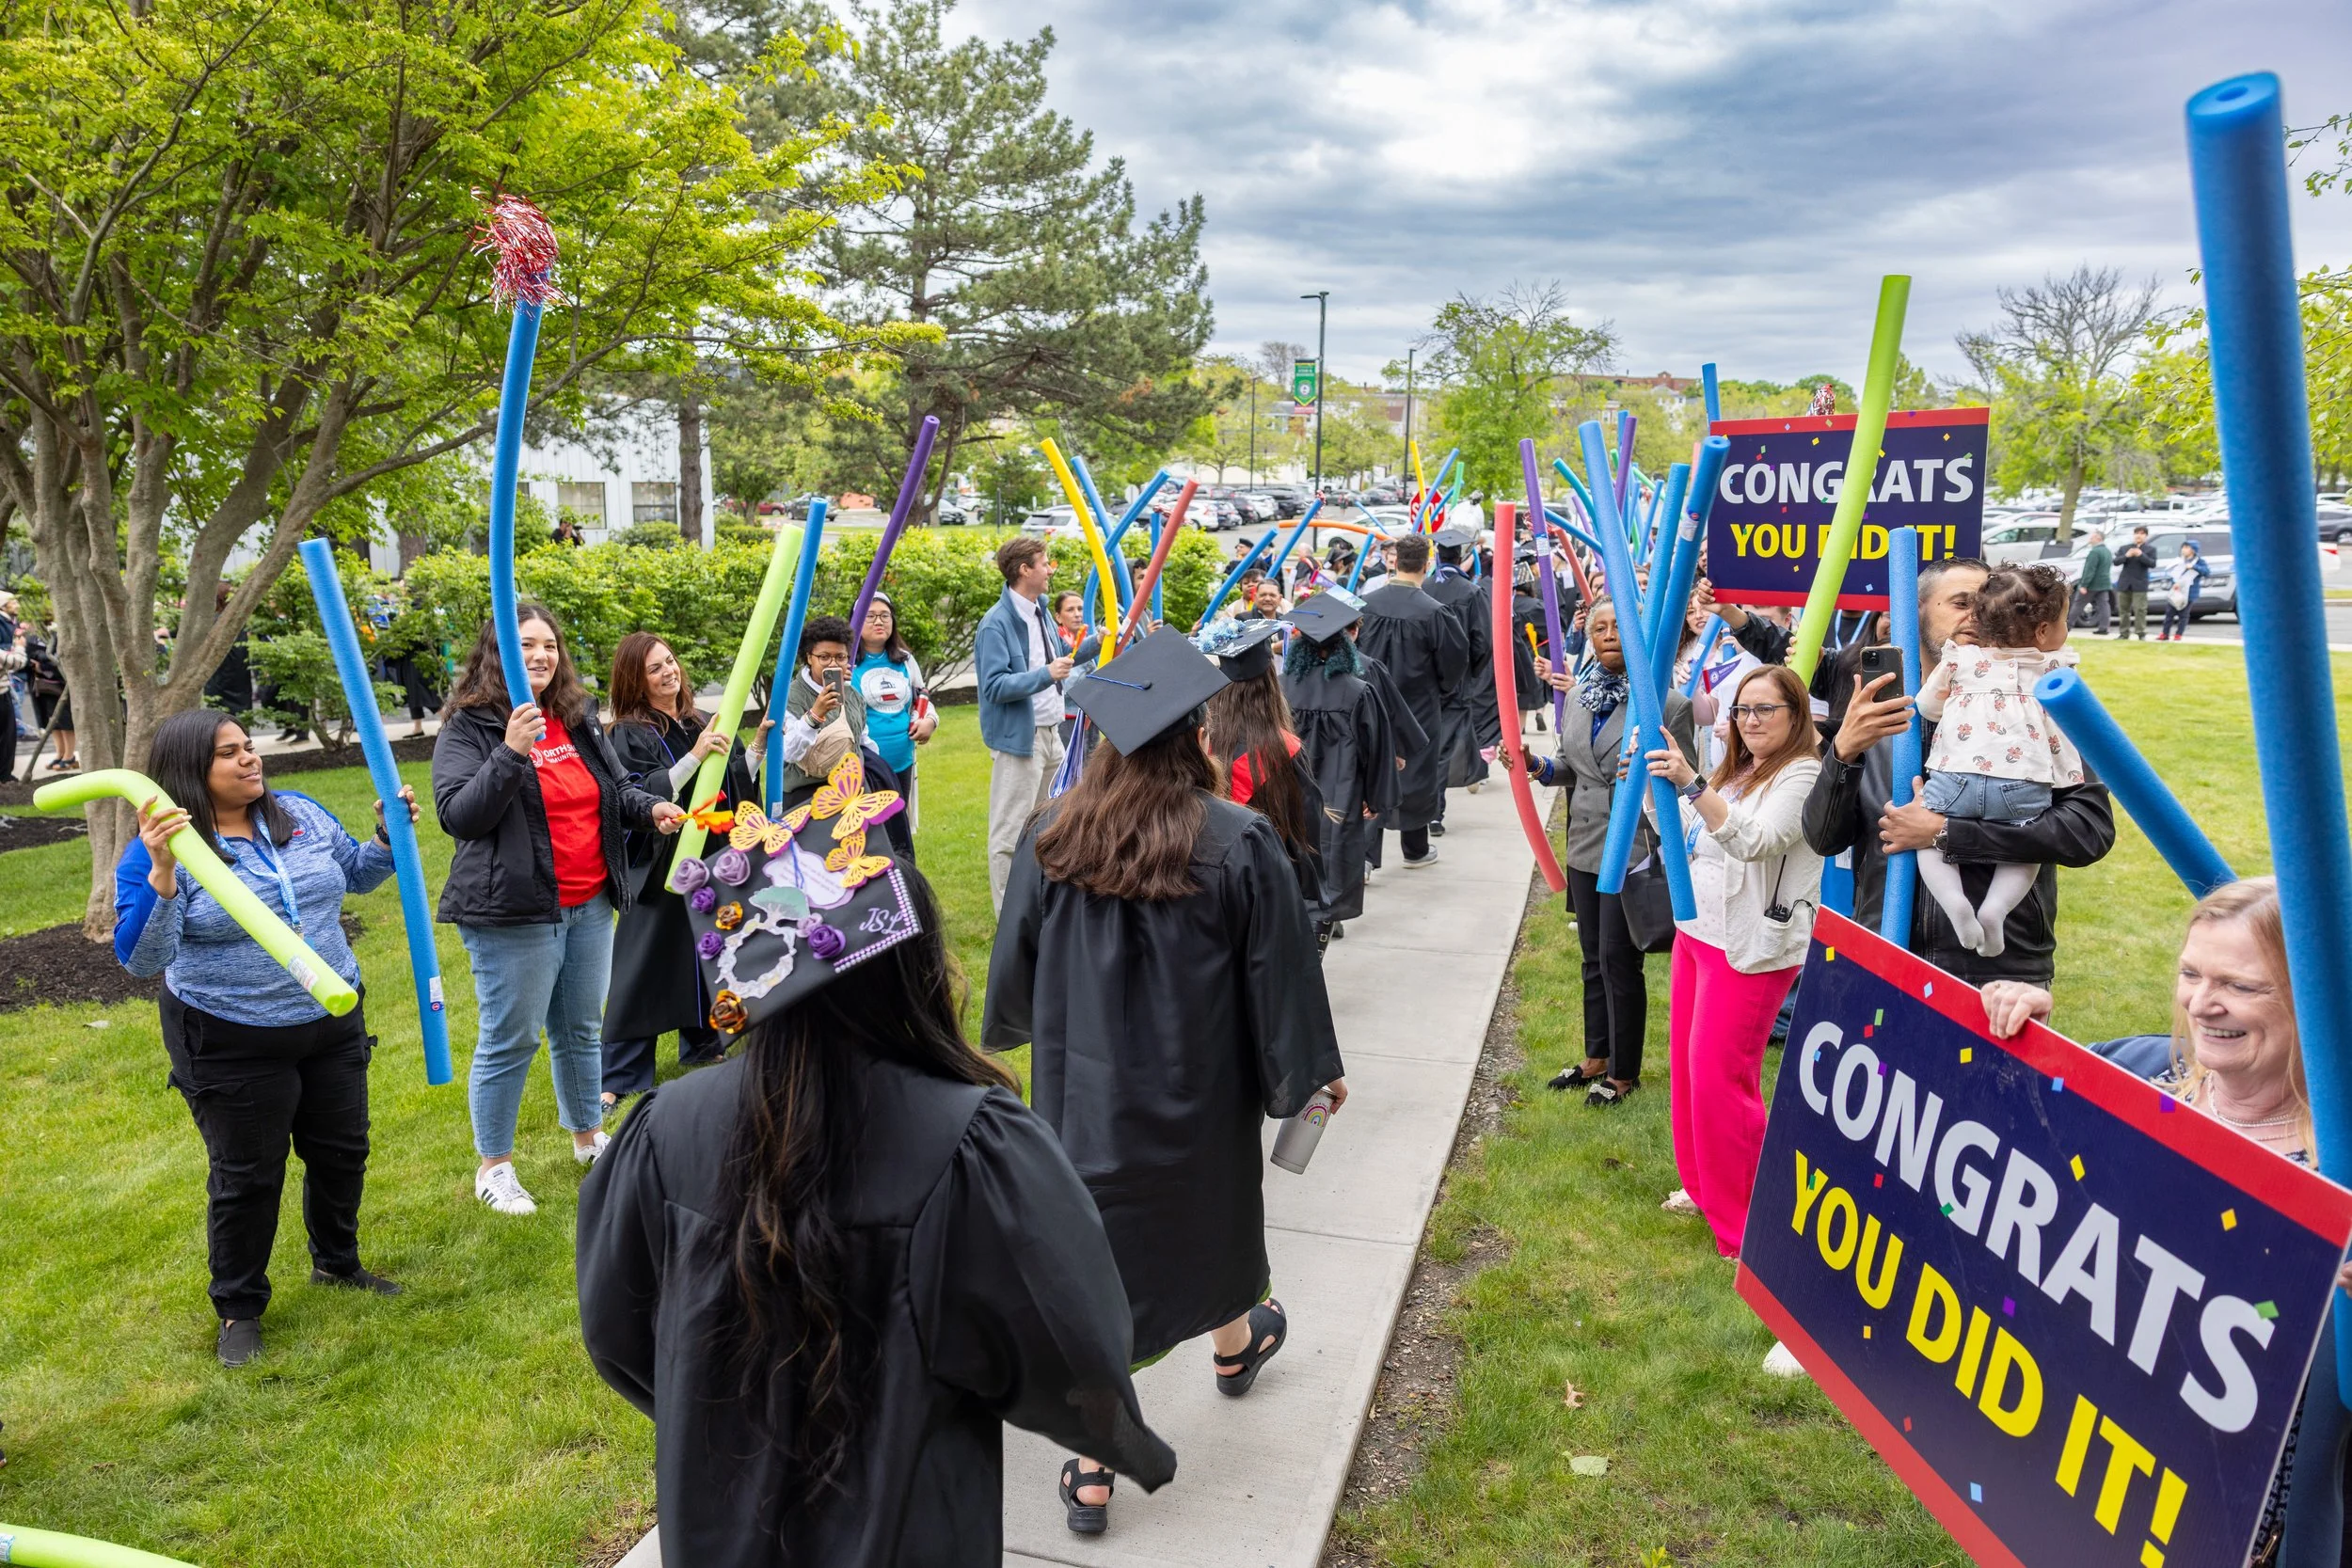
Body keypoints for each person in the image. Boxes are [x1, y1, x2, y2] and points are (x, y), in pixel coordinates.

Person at [578, 845, 1174, 1567]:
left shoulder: (663, 1131)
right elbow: (1071, 1343)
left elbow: (618, 1331)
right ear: (910, 971)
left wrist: (724, 1413)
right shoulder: (970, 1144)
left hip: (720, 1525)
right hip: (912, 1527)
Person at [985, 629, 1344, 1534]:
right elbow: (1281, 979)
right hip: (1196, 1098)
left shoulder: (1052, 835)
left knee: (1099, 1261)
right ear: (1196, 737)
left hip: (1081, 1100)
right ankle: (1112, 1443)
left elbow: (1017, 983)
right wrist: (1308, 1076)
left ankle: (1200, 1374)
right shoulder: (1237, 839)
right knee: (1205, 1229)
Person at [1978, 878, 2342, 1565]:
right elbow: (2001, 1152)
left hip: (2238, 1528)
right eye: (2191, 972)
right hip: (2084, 1470)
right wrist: (2022, 1036)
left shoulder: (2339, 1171)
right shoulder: (2140, 1074)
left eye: (2242, 985)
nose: (2203, 1003)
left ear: (2311, 997)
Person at [114, 708, 416, 1366]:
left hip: (331, 1016)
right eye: (230, 752)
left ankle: (337, 1263)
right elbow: (141, 958)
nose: (250, 758)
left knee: (342, 1149)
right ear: (191, 770)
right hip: (230, 1033)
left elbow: (357, 874)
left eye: (250, 746)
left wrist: (387, 842)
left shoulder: (298, 813)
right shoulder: (157, 848)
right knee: (248, 1175)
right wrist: (164, 876)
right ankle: (239, 1309)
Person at [434, 604, 685, 1217]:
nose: (541, 655)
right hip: (513, 913)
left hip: (589, 903)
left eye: (549, 644)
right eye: (526, 645)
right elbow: (460, 815)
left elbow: (616, 788)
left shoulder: (574, 719)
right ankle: (494, 1166)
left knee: (578, 1030)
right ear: (498, 652)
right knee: (510, 1038)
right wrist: (511, 751)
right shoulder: (472, 726)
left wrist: (648, 809)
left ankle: (585, 1137)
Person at [1802, 557, 2116, 986]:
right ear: (1913, 617)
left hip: (1998, 967)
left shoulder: (2040, 704)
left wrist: (1946, 833)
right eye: (1963, 602)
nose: (1981, 614)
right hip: (1885, 955)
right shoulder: (1879, 716)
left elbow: (2087, 831)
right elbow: (1823, 838)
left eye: (1994, 601)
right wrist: (1844, 752)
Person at [1643, 664, 1823, 1261]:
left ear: (1795, 715)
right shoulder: (1737, 767)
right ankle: (1704, 1188)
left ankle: (1747, 1224)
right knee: (1690, 1073)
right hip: (1698, 932)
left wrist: (1693, 782)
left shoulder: (1802, 772)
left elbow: (1757, 840)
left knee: (1724, 1078)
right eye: (1742, 710)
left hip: (1750, 948)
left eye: (1764, 710)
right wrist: (1654, 789)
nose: (1749, 722)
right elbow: (1691, 834)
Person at [1525, 596, 1699, 1106]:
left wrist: (1649, 774)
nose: (1606, 635)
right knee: (1590, 958)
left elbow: (1686, 779)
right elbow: (1571, 768)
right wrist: (1536, 767)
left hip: (1632, 851)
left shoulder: (1666, 705)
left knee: (1618, 960)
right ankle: (1595, 1056)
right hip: (1584, 847)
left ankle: (1623, 1073)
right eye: (1598, 627)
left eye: (1617, 627)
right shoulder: (1580, 696)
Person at [599, 632, 759, 1116]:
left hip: (707, 855)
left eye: (670, 661)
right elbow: (636, 792)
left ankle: (705, 1042)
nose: (669, 671)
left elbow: (725, 783)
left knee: (705, 948)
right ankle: (621, 1072)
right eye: (655, 668)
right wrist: (696, 756)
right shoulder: (628, 732)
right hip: (661, 859)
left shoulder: (692, 721)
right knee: (645, 962)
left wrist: (751, 753)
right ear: (635, 679)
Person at [1914, 564, 2084, 958]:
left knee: (1925, 840)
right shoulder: (2054, 669)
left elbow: (1926, 706)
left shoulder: (1960, 660)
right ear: (2042, 632)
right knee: (2027, 851)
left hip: (1955, 779)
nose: (2066, 631)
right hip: (2021, 784)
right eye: (2063, 622)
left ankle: (1953, 900)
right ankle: (1995, 910)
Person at [1281, 594, 1398, 942]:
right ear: (1344, 645)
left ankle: (1299, 918)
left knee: (1291, 850)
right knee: (1332, 856)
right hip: (1340, 792)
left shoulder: (1280, 687)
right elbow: (1375, 749)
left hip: (1288, 790)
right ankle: (1325, 921)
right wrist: (1374, 799)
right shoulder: (1357, 691)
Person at [1200, 617, 1325, 924]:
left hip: (1200, 892)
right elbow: (1304, 837)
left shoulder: (1195, 745)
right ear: (1271, 682)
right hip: (1264, 893)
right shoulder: (1284, 750)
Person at [975, 536, 1076, 910]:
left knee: (1054, 824)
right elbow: (994, 686)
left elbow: (1058, 659)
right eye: (1045, 562)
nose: (1051, 570)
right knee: (1009, 832)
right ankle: (1007, 919)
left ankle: (1044, 904)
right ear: (1024, 569)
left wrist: (1099, 641)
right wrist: (1046, 675)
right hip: (1022, 740)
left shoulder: (1041, 611)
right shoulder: (995, 624)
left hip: (1052, 735)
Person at [1356, 533, 1467, 868]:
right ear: (1426, 564)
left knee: (1370, 769)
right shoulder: (1434, 612)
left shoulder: (1367, 605)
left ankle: (1364, 858)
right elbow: (1454, 662)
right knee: (1418, 773)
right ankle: (1415, 849)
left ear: (1394, 561)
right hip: (1417, 705)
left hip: (1369, 701)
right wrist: (1441, 690)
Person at [1422, 528, 1494, 813]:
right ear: (1462, 554)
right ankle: (1435, 812)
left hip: (1422, 681)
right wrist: (1470, 673)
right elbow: (1482, 642)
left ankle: (1417, 806)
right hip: (1455, 684)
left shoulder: (1424, 588)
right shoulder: (1472, 592)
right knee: (1442, 749)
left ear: (1436, 554)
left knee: (1421, 745)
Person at [853, 593, 936, 834]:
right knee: (870, 834)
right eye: (870, 616)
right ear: (856, 620)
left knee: (899, 832)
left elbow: (922, 697)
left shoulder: (905, 660)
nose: (879, 621)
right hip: (865, 767)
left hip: (903, 763)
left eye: (885, 616)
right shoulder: (847, 662)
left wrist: (930, 721)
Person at [2159, 540, 2210, 641]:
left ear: (2193, 550)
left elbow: (2207, 572)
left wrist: (2194, 567)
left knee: (2183, 615)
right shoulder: (2179, 560)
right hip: (2176, 591)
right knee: (2169, 613)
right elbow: (2173, 573)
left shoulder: (2199, 561)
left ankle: (2179, 634)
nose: (2184, 550)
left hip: (2189, 592)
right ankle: (2165, 633)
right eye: (2183, 547)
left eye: (2187, 547)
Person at [2114, 525, 2156, 641]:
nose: (2139, 535)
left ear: (2146, 536)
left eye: (2142, 533)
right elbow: (2116, 562)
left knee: (2140, 610)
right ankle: (2124, 633)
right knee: (2123, 611)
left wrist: (2141, 555)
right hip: (2124, 583)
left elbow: (2152, 563)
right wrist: (2126, 556)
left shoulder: (2150, 549)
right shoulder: (2125, 548)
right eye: (2137, 533)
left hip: (2140, 584)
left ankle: (2141, 633)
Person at [2075, 529, 2115, 635]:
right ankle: (2104, 627)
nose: (2090, 539)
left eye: (2092, 537)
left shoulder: (2095, 552)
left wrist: (2084, 584)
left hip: (2093, 584)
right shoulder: (2107, 551)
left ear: (2098, 538)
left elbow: (2089, 570)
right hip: (2104, 583)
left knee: (2078, 604)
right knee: (2104, 606)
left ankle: (2068, 625)